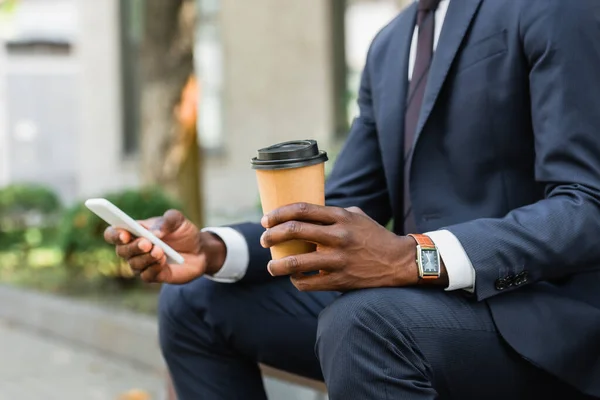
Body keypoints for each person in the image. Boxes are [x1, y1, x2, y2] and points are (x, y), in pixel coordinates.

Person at [105, 0, 600, 398]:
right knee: (194, 299)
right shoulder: (390, 45)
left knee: (365, 324)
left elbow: (588, 204)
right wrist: (213, 249)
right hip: (414, 307)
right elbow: (340, 206)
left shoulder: (555, 7)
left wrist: (413, 257)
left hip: (538, 318)